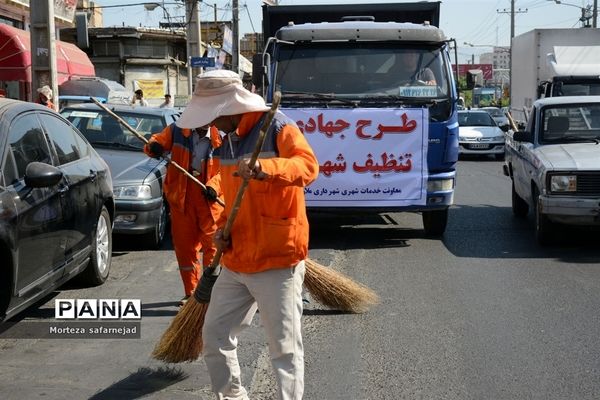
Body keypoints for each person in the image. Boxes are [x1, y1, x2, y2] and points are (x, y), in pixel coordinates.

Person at [176, 69, 319, 400]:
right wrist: (223, 229)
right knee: (214, 336)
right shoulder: (226, 146)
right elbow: (232, 199)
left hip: (277, 259)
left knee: (284, 350)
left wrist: (266, 170)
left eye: (213, 116)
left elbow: (308, 168)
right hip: (237, 260)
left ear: (230, 107)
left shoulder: (278, 126)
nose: (211, 125)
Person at [143, 122, 222, 306]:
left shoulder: (222, 137)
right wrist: (153, 147)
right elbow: (154, 143)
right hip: (182, 198)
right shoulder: (177, 130)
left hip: (209, 200)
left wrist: (214, 186)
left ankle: (210, 295)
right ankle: (191, 294)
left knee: (213, 248)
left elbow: (227, 171)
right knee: (185, 249)